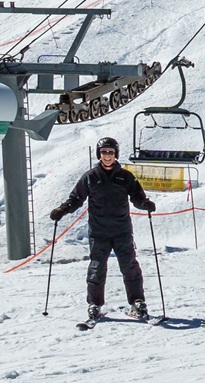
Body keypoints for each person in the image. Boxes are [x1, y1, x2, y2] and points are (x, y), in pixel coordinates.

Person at [48, 137, 156, 322]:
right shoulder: (90, 177)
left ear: (116, 155)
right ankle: (94, 305)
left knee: (130, 266)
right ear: (99, 154)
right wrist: (61, 210)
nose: (107, 156)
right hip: (99, 232)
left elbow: (137, 196)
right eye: (104, 152)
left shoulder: (125, 176)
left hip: (122, 230)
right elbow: (76, 198)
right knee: (97, 268)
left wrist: (145, 203)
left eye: (111, 152)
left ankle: (137, 302)